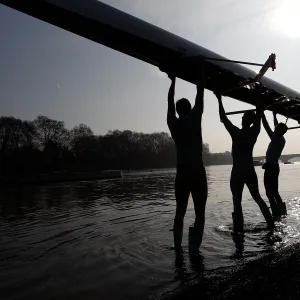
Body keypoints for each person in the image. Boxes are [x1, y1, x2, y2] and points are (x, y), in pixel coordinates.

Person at [214, 91, 274, 233]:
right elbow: (259, 114)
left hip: (237, 172)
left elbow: (223, 118)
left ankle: (238, 229)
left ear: (243, 119)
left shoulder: (236, 133)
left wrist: (219, 98)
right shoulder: (254, 132)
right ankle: (271, 224)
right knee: (258, 198)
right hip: (249, 170)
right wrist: (259, 100)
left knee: (237, 202)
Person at [167, 66, 207, 254]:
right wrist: (200, 73)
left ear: (177, 110)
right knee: (200, 213)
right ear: (190, 110)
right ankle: (193, 250)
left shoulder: (173, 124)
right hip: (197, 172)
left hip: (182, 173)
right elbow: (200, 93)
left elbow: (169, 102)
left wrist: (172, 81)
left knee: (180, 211)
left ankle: (177, 249)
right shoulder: (195, 119)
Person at [262, 111, 288, 218]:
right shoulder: (281, 139)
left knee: (269, 193)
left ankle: (276, 213)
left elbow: (267, 127)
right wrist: (274, 116)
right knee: (275, 192)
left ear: (279, 131)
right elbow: (276, 126)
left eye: (277, 128)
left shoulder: (276, 139)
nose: (275, 128)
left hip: (271, 168)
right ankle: (281, 212)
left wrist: (261, 114)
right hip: (273, 167)